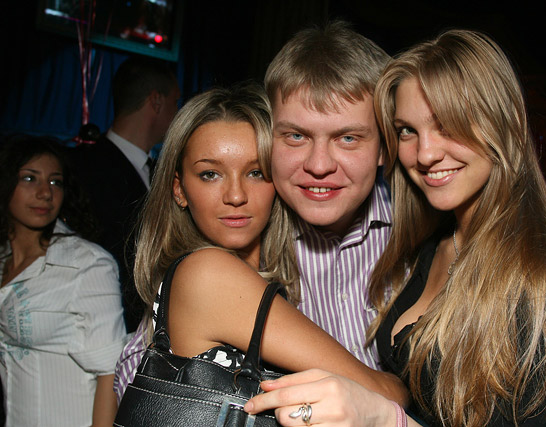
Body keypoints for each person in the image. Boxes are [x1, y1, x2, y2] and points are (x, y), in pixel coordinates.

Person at [245, 29, 546, 427]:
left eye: (449, 125)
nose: (427, 153)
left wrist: (386, 418)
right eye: (408, 131)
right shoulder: (430, 243)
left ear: (502, 124)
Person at [113, 83, 407, 407]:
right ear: (179, 190)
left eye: (255, 172)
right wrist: (403, 385)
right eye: (210, 174)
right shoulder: (206, 274)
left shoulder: (290, 273)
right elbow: (382, 393)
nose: (235, 196)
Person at [260, 21, 392, 369]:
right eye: (296, 136)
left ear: (384, 147)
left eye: (348, 138)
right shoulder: (244, 238)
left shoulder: (424, 240)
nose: (319, 166)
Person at [0, 136, 126, 426]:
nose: (45, 192)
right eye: (30, 178)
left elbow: (110, 371)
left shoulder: (86, 264)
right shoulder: (4, 260)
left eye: (55, 182)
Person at [70, 55, 181, 332]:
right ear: (156, 101)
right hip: (104, 327)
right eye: (175, 103)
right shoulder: (82, 169)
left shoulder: (163, 172)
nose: (177, 113)